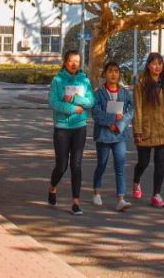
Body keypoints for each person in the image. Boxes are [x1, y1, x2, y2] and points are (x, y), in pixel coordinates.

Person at [47, 49, 94, 215]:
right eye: (71, 61)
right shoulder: (57, 80)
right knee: (62, 166)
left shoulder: (84, 80)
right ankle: (52, 187)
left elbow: (90, 101)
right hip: (62, 128)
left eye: (77, 61)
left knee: (77, 164)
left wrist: (74, 99)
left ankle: (75, 202)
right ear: (65, 62)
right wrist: (73, 108)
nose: (74, 64)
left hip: (79, 127)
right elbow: (53, 102)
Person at [132, 52, 164, 208]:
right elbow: (137, 109)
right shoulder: (141, 84)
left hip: (163, 128)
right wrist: (137, 131)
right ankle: (136, 180)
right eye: (154, 63)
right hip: (146, 129)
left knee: (160, 163)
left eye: (160, 63)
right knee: (143, 162)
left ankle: (156, 194)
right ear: (148, 66)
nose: (157, 67)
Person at [91, 61, 133, 211]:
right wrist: (111, 120)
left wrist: (120, 123)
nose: (113, 74)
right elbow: (95, 112)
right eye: (110, 71)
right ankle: (96, 191)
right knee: (101, 164)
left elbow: (131, 110)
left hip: (119, 135)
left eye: (116, 71)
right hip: (104, 134)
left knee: (120, 166)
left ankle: (121, 199)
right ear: (105, 74)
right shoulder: (99, 93)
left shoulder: (124, 93)